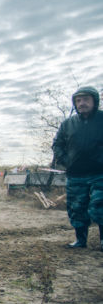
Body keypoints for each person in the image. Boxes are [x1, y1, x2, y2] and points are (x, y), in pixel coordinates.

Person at [52, 86, 103, 250]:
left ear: (95, 101)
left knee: (98, 207)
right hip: (76, 174)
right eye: (78, 100)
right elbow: (57, 144)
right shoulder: (68, 124)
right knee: (76, 208)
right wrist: (66, 161)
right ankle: (80, 240)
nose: (82, 103)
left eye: (86, 99)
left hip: (100, 173)